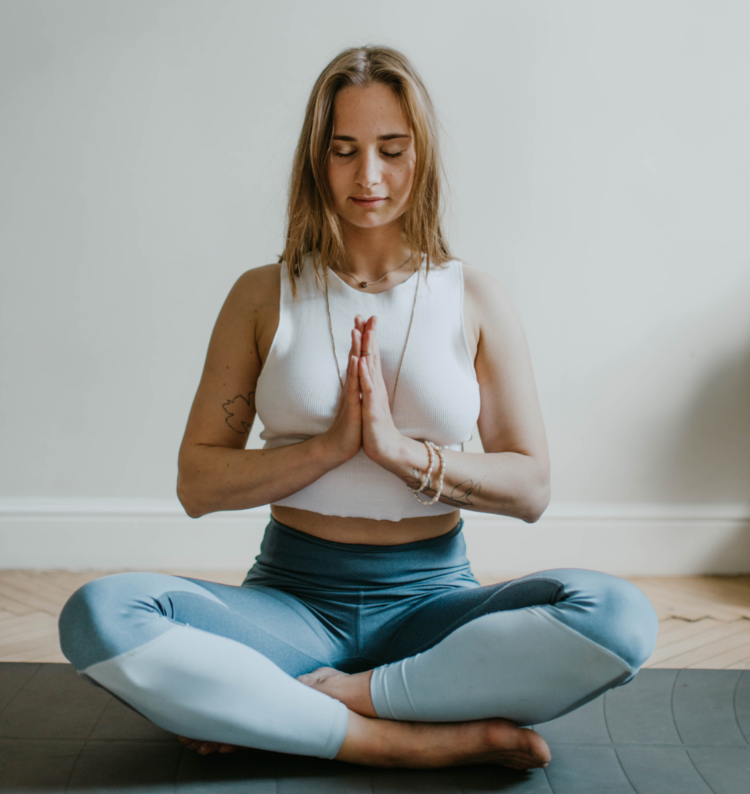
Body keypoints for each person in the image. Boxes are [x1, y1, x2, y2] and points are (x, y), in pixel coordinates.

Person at [59, 46, 658, 772]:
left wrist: (399, 453)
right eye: (344, 151)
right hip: (290, 606)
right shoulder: (261, 295)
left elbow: (531, 490)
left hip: (435, 609)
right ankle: (402, 737)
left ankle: (316, 704)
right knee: (99, 615)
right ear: (318, 160)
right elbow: (197, 484)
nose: (367, 176)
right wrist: (328, 447)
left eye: (391, 150)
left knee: (620, 618)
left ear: (422, 156)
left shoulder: (475, 298)